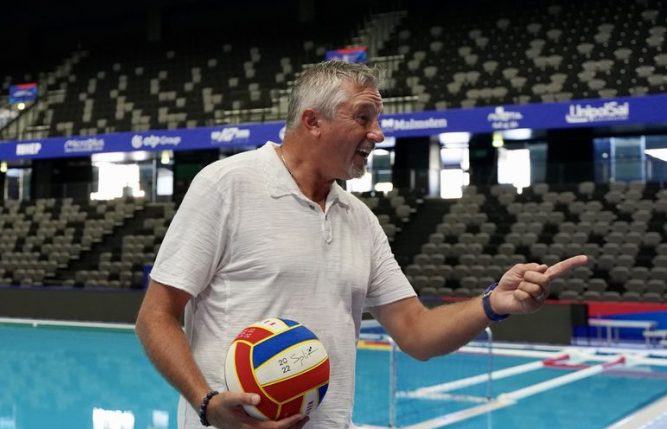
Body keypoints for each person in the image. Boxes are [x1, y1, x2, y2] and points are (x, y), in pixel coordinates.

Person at [135, 60, 588, 429]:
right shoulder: (227, 185)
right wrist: (206, 402)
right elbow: (155, 316)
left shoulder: (361, 220)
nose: (378, 134)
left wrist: (493, 303)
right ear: (313, 121)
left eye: (378, 120)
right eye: (364, 118)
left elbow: (416, 332)